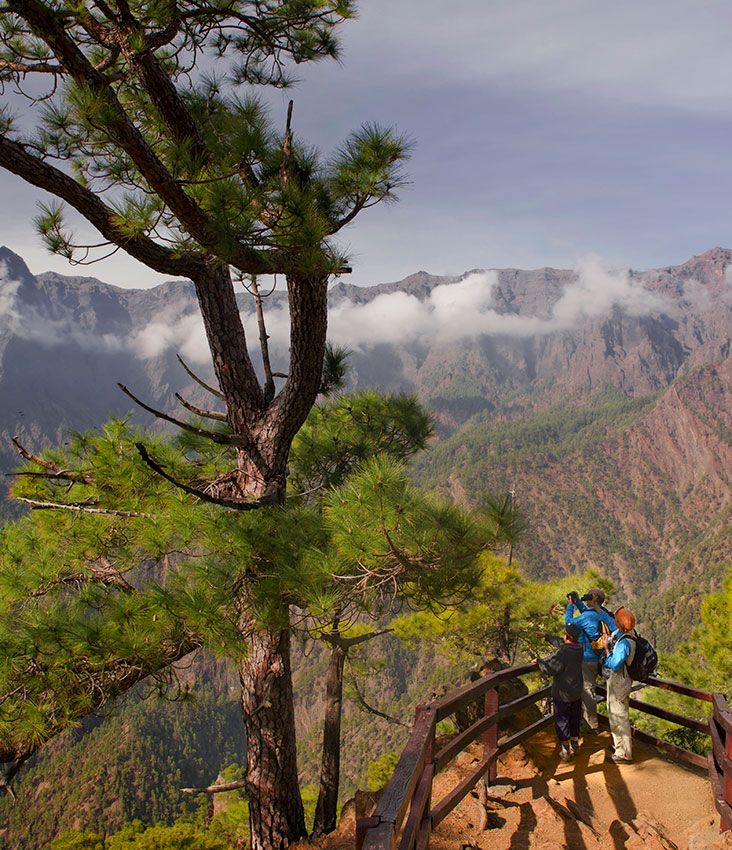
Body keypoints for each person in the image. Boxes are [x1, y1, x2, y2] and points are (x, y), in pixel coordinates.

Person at [565, 588, 616, 732]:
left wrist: (570, 606)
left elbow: (569, 624)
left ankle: (591, 725)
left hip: (587, 659)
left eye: (588, 597)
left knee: (587, 691)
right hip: (600, 657)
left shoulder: (586, 617)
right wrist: (579, 603)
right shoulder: (602, 613)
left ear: (593, 598)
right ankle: (589, 722)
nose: (585, 599)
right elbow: (588, 614)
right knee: (589, 689)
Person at [535, 622, 584, 761]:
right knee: (574, 718)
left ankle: (566, 750)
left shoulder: (564, 652)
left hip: (563, 693)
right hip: (576, 691)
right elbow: (562, 643)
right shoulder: (579, 647)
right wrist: (546, 636)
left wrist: (539, 662)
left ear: (567, 635)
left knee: (562, 720)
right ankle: (575, 745)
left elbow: (550, 669)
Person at [601, 606, 637, 764]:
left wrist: (607, 650)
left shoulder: (624, 643)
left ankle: (624, 753)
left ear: (621, 624)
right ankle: (619, 747)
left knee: (620, 717)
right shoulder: (630, 635)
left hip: (619, 683)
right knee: (616, 715)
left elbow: (615, 664)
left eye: (617, 620)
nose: (614, 622)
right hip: (621, 682)